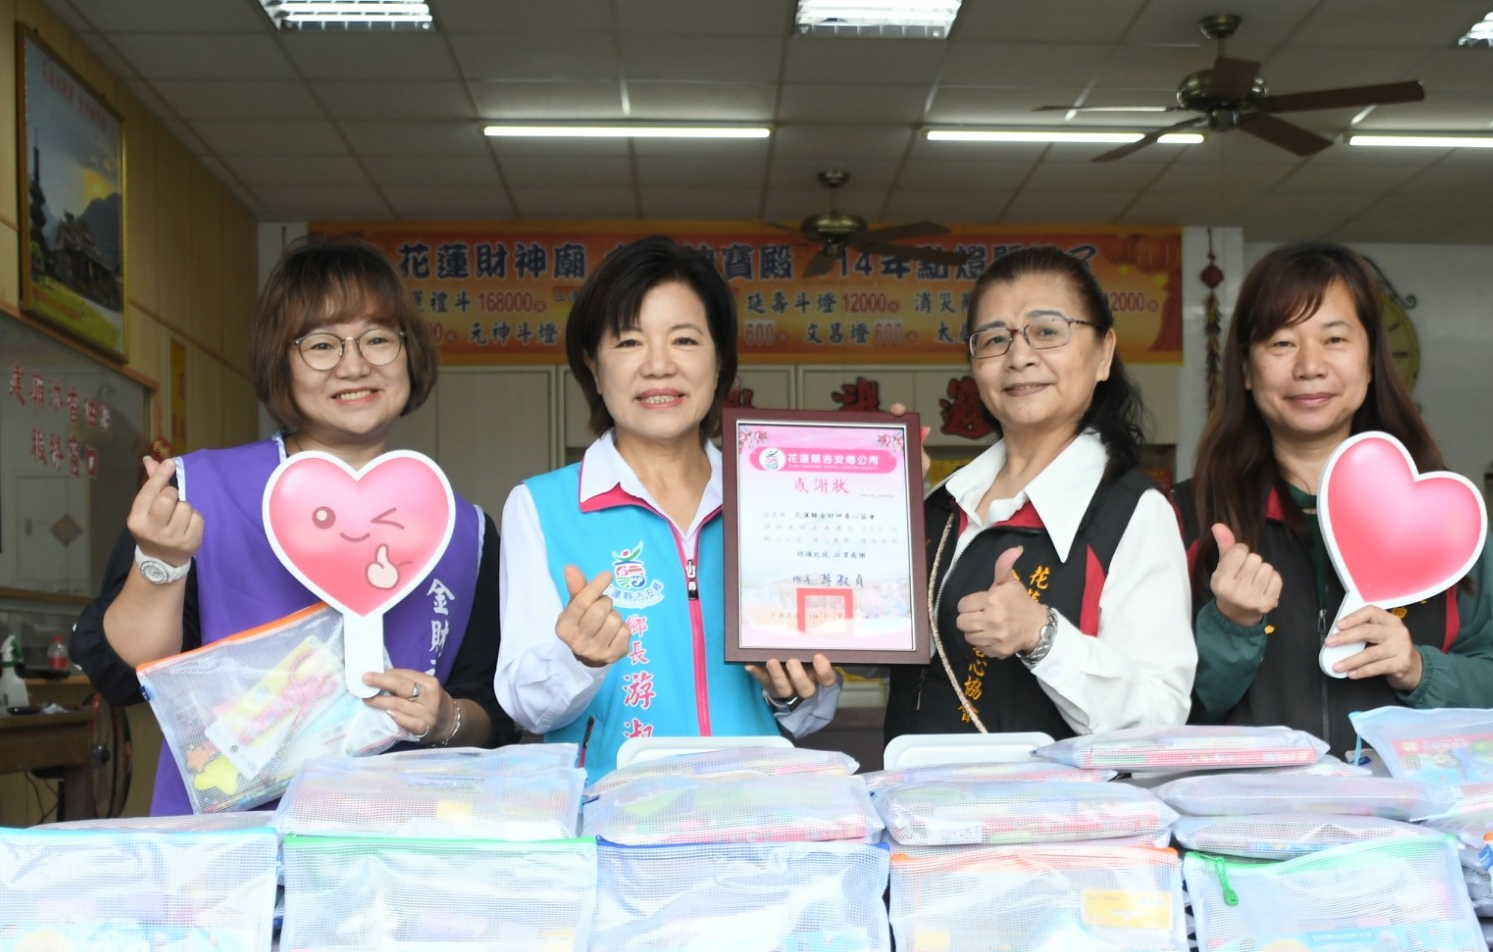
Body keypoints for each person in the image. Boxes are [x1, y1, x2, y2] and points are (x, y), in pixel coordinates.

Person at [72, 236, 513, 814]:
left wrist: (444, 718)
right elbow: (125, 677)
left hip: (396, 844)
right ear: (279, 361)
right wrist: (161, 562)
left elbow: (491, 712)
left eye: (378, 338)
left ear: (409, 353)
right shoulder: (199, 492)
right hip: (230, 853)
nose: (354, 365)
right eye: (321, 344)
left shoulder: (465, 533)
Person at [496, 236, 837, 774]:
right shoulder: (540, 507)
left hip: (752, 804)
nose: (658, 366)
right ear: (593, 366)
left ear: (719, 361)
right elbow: (524, 705)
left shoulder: (775, 502)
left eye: (684, 339)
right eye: (629, 342)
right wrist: (576, 658)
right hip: (609, 811)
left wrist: (795, 692)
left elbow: (809, 712)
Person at [1176, 240, 1493, 751]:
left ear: (1371, 360)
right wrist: (1231, 627)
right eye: (1281, 343)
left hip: (1407, 801)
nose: (1310, 366)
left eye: (1335, 339)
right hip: (1251, 802)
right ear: (1247, 369)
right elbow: (1162, 712)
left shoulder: (1445, 516)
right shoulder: (1185, 517)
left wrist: (1418, 669)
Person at [885, 245, 1195, 740]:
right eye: (994, 339)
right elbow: (881, 647)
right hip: (915, 789)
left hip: (1052, 794)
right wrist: (880, 505)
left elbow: (1158, 716)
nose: (1019, 357)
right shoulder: (941, 503)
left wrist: (1041, 635)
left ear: (1103, 354)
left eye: (1047, 331)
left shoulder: (1132, 512)